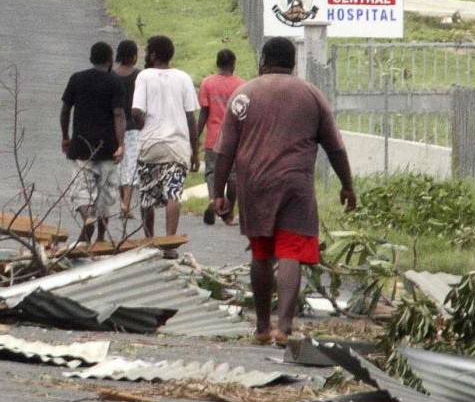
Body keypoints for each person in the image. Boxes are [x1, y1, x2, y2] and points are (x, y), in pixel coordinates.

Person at [209, 37, 357, 346]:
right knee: (290, 251)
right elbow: (335, 148)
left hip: (255, 184)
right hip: (296, 185)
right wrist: (347, 186)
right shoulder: (312, 95)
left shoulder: (243, 95)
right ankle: (284, 327)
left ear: (263, 60)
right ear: (293, 63)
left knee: (261, 253)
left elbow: (225, 151)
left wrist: (219, 192)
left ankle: (262, 327)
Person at [130, 35, 201, 257]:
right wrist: (195, 151)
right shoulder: (183, 78)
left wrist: (142, 125)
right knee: (173, 193)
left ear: (152, 55)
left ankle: (149, 240)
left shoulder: (144, 76)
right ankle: (170, 242)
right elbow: (191, 118)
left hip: (150, 144)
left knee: (147, 196)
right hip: (177, 145)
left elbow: (136, 111)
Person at [60, 41, 127, 243]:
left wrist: (65, 136)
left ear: (91, 58)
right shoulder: (115, 82)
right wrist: (121, 144)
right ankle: (100, 237)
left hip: (81, 146)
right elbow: (118, 115)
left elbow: (65, 110)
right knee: (106, 193)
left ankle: (87, 217)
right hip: (108, 147)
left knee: (82, 189)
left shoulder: (77, 79)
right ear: (109, 59)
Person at [197, 48, 247, 226]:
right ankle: (229, 212)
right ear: (233, 64)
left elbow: (203, 113)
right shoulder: (242, 85)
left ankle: (213, 199)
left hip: (213, 138)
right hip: (235, 139)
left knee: (211, 171)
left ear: (218, 64)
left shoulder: (207, 83)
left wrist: (196, 137)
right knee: (233, 177)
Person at [113, 39, 144, 226]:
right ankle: (126, 203)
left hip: (114, 127)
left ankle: (122, 202)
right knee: (131, 166)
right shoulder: (139, 76)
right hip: (133, 126)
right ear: (133, 56)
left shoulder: (111, 75)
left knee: (118, 164)